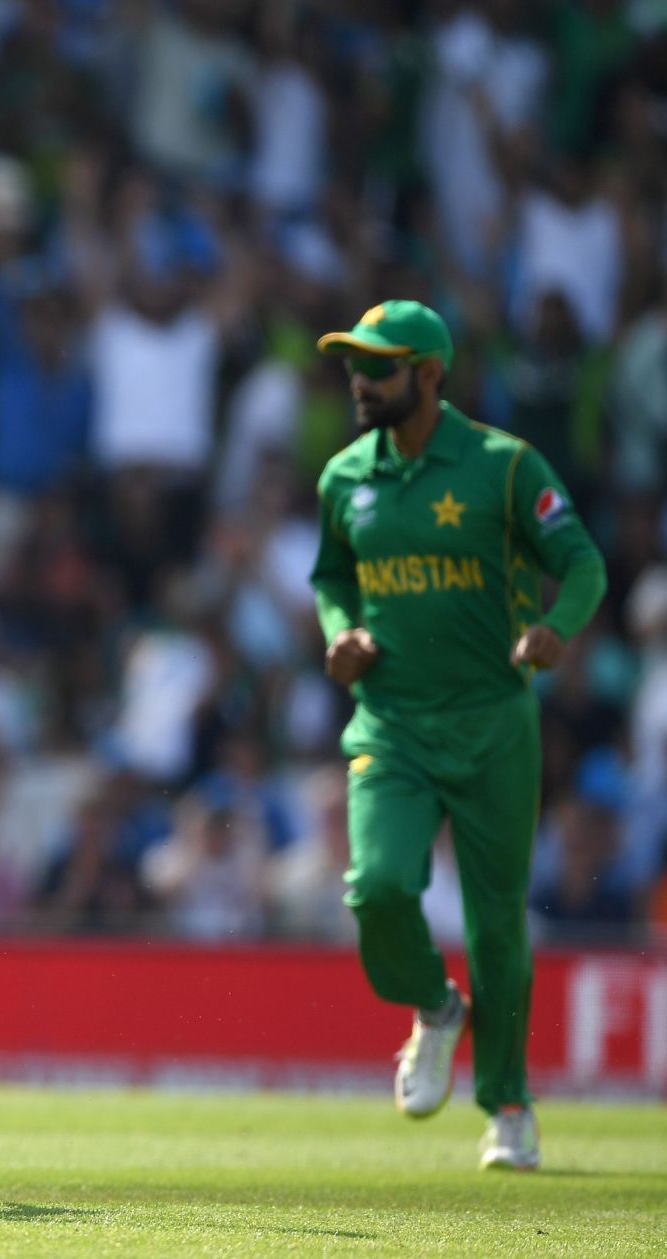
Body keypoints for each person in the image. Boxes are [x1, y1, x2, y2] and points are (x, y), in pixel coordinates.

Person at [308, 300, 607, 1172]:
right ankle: (436, 1007)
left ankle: (509, 1106)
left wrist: (561, 626)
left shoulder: (502, 466)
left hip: (493, 726)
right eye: (354, 365)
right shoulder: (343, 477)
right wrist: (341, 629)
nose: (361, 382)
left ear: (430, 375)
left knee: (497, 928)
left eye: (381, 366)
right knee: (377, 886)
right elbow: (331, 574)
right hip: (392, 722)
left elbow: (581, 561)